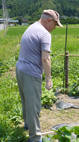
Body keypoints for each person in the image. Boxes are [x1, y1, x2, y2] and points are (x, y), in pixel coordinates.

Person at [16, 9, 63, 142]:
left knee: (26, 101)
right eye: (55, 25)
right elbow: (46, 59)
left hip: (20, 68)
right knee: (34, 106)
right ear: (49, 21)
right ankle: (35, 137)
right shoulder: (45, 34)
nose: (54, 28)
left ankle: (27, 124)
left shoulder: (32, 27)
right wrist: (48, 78)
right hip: (30, 73)